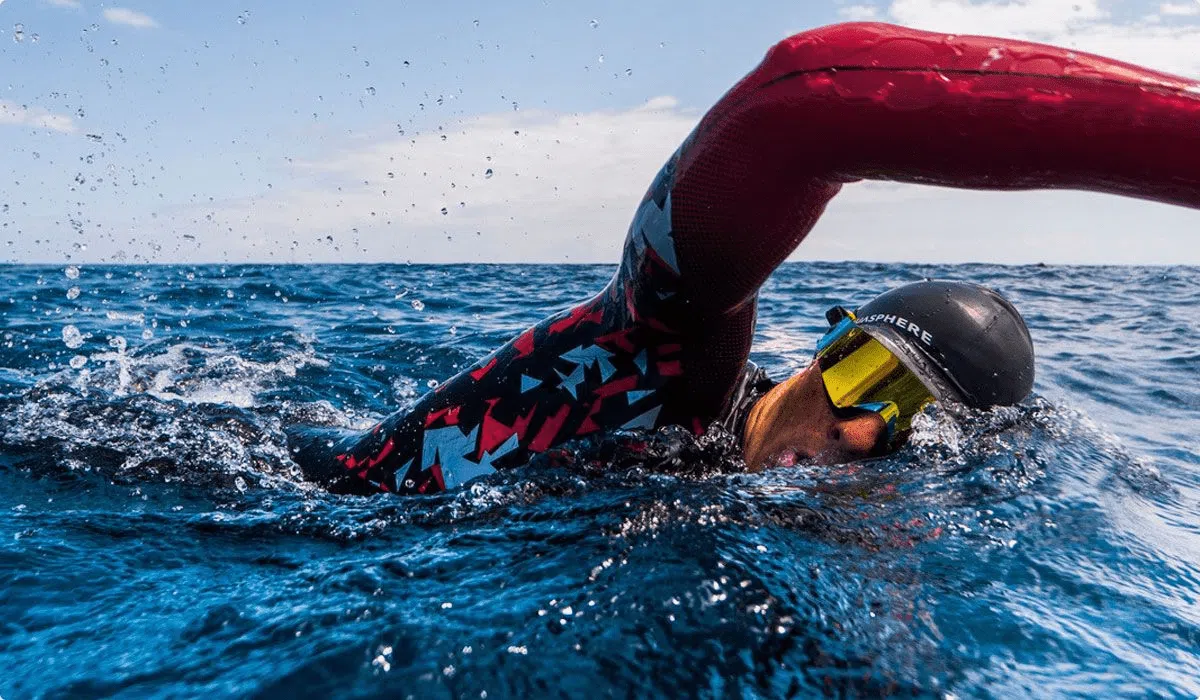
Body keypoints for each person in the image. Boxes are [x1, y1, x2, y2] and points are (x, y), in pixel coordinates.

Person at [290, 22, 1200, 496]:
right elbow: (803, 104)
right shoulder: (672, 364)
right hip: (271, 516)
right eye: (875, 380)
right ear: (831, 346)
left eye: (914, 422)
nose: (863, 432)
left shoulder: (821, 523)